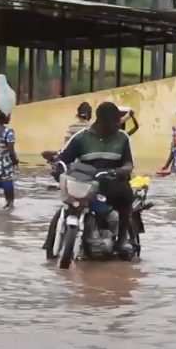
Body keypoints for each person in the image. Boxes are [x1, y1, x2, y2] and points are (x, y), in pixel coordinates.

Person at [59, 102, 135, 255]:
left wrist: (120, 171)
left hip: (112, 181)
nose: (117, 125)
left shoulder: (122, 138)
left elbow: (128, 164)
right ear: (101, 122)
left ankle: (121, 240)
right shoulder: (81, 137)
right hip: (85, 182)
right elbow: (64, 160)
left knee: (126, 195)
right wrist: (57, 166)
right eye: (114, 122)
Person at [0, 110, 18, 208]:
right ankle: (9, 205)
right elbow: (11, 150)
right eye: (8, 116)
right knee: (8, 184)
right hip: (5, 164)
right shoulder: (8, 132)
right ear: (2, 118)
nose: (10, 118)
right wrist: (14, 160)